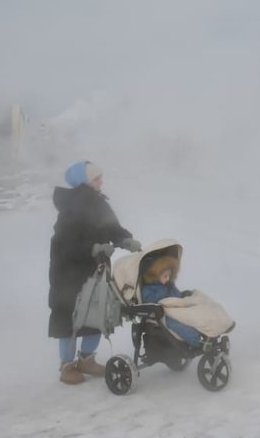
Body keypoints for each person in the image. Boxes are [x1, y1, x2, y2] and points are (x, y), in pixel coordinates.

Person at [48, 161, 142, 384]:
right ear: (84, 181)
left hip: (95, 270)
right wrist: (93, 248)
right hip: (69, 274)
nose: (101, 181)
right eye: (96, 178)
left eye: (100, 177)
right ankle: (67, 366)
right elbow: (63, 244)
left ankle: (87, 360)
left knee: (97, 314)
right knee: (72, 318)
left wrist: (124, 239)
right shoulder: (71, 208)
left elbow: (111, 226)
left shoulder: (98, 203)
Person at [141, 254, 203, 346]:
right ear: (156, 275)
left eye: (169, 276)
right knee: (176, 324)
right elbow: (150, 300)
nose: (168, 278)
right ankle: (197, 340)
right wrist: (163, 291)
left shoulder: (168, 285)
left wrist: (183, 296)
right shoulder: (148, 289)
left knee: (193, 314)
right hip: (162, 313)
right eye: (165, 276)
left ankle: (205, 331)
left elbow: (177, 297)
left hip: (176, 308)